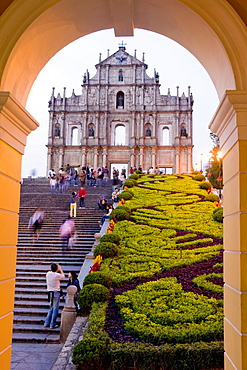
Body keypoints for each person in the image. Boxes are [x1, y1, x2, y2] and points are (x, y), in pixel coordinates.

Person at [44, 263, 65, 329]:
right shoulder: (57, 275)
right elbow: (63, 276)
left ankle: (46, 322)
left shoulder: (48, 274)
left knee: (51, 308)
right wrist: (60, 269)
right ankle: (52, 323)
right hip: (56, 292)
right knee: (55, 308)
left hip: (50, 292)